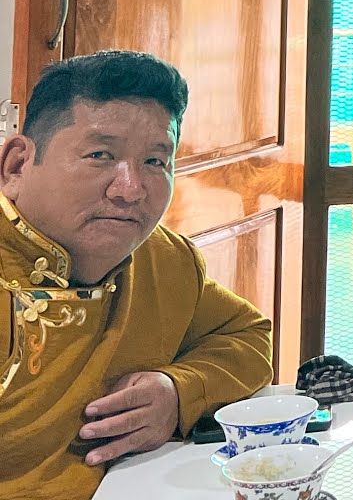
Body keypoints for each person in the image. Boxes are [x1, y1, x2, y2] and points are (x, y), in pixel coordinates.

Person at [0, 51, 273, 500]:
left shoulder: (162, 258)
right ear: (16, 165)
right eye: (99, 155)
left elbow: (247, 336)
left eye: (155, 162)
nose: (129, 190)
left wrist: (178, 392)